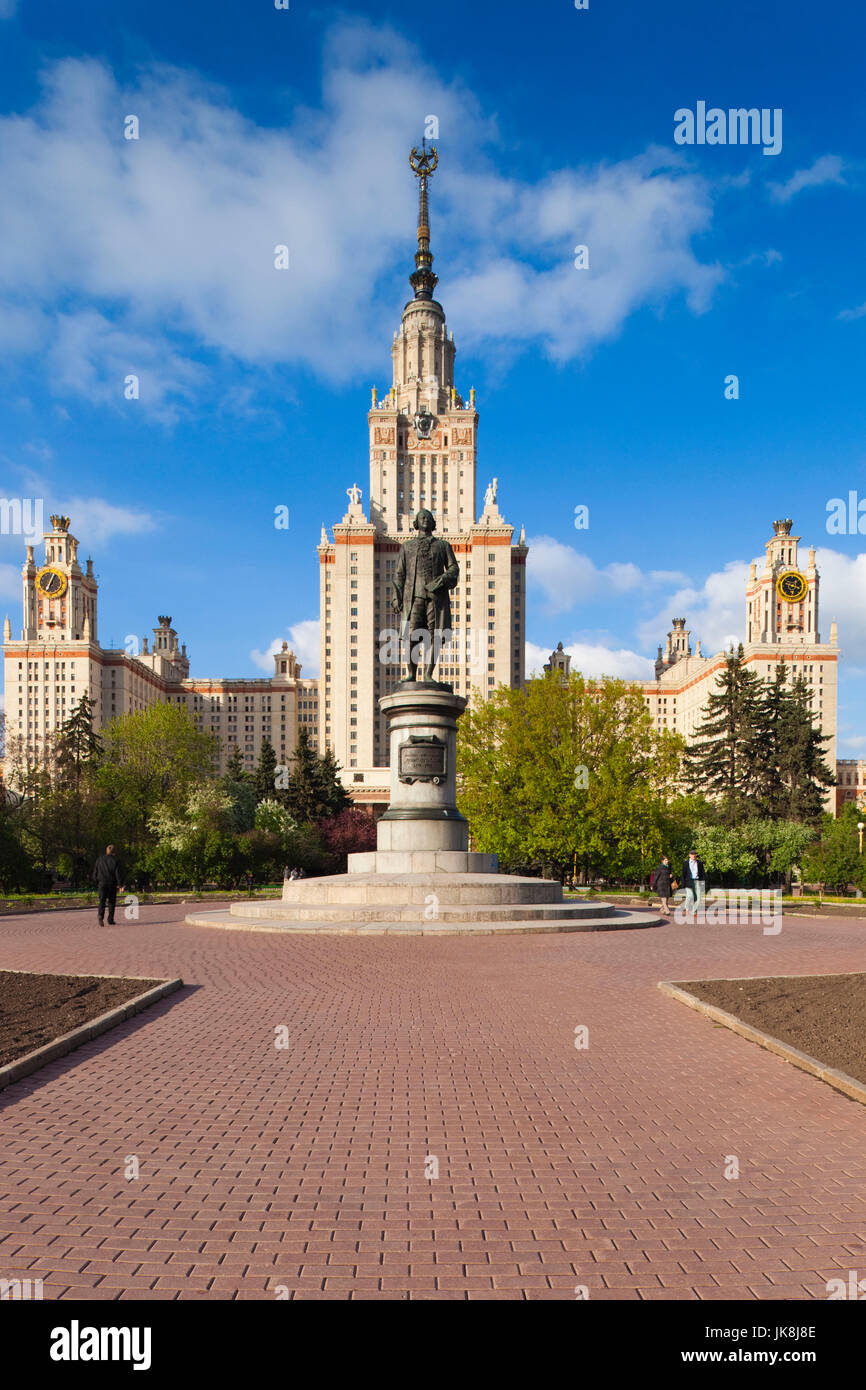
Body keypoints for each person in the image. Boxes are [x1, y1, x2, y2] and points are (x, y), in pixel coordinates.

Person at [92, 845, 125, 926]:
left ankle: (100, 916)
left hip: (102, 883)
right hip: (112, 883)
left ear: (106, 851)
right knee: (111, 902)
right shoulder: (116, 860)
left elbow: (95, 871)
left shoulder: (99, 859)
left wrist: (96, 880)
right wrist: (120, 884)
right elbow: (118, 874)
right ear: (114, 851)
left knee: (102, 901)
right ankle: (110, 919)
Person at [681, 850, 707, 921]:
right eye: (692, 854)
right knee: (690, 895)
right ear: (689, 855)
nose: (694, 855)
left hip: (697, 881)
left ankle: (693, 911)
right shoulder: (686, 863)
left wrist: (702, 882)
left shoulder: (699, 863)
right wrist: (683, 883)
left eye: (695, 854)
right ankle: (686, 907)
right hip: (688, 882)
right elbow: (683, 874)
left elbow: (702, 873)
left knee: (698, 898)